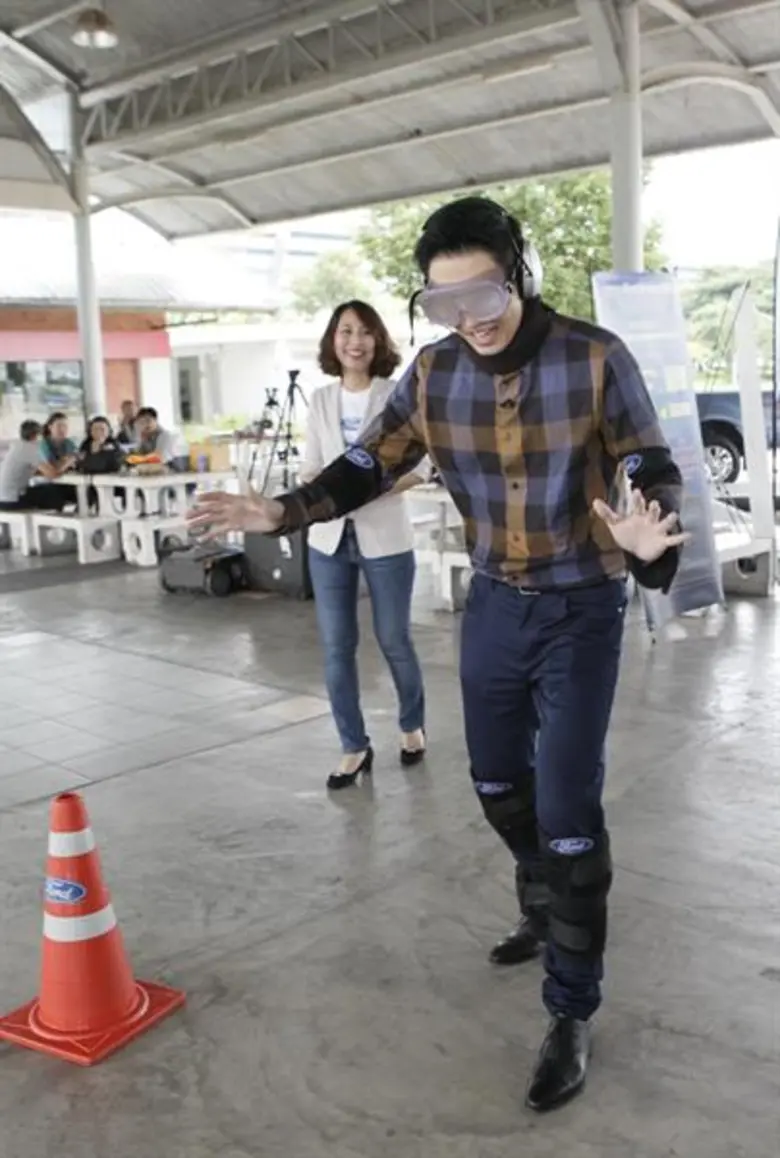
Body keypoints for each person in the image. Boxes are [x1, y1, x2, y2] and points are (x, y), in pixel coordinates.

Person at [188, 196, 688, 1113]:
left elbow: (650, 462)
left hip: (581, 607)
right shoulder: (430, 374)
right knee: (498, 786)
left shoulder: (594, 355)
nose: (470, 317)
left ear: (520, 276)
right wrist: (281, 512)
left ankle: (572, 1007)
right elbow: (367, 464)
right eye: (443, 302)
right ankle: (545, 904)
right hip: (495, 604)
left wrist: (658, 534)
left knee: (569, 802)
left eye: (486, 292)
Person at [302, 300, 428, 790]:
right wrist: (312, 493)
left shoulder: (398, 396)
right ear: (333, 340)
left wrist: (370, 487)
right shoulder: (319, 400)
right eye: (346, 331)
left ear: (379, 341)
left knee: (395, 639)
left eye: (365, 332)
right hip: (328, 538)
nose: (355, 341)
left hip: (386, 535)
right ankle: (353, 746)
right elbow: (311, 467)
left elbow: (420, 467)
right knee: (337, 648)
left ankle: (411, 726)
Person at [0, 420, 71, 511]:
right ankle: (56, 519)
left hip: (3, 498)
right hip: (11, 501)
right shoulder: (30, 448)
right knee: (52, 492)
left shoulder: (17, 445)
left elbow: (30, 469)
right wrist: (68, 462)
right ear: (35, 435)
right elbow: (53, 474)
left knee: (45, 491)